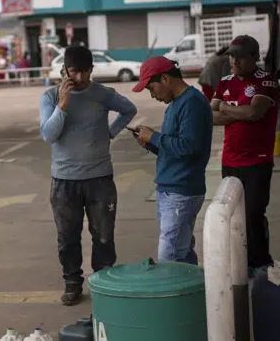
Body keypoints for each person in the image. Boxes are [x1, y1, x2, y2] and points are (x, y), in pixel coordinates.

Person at [39, 46, 138, 305]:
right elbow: (49, 135)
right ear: (65, 71)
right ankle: (72, 282)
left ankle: (104, 281)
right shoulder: (50, 97)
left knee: (103, 234)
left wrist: (110, 132)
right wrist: (63, 104)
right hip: (64, 180)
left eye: (85, 72)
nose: (80, 78)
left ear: (92, 70)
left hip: (99, 178)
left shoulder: (103, 94)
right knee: (67, 237)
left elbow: (129, 110)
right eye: (74, 72)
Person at [132, 57, 212, 264]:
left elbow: (188, 148)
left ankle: (177, 295)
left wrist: (155, 137)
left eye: (152, 88)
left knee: (169, 257)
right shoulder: (177, 103)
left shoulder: (192, 102)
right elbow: (175, 148)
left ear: (165, 79)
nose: (152, 95)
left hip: (181, 192)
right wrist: (150, 143)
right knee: (181, 252)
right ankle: (193, 292)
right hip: (170, 190)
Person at [211, 35, 280, 269]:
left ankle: (260, 264)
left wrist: (225, 107)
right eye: (231, 56)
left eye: (240, 57)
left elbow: (254, 113)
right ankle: (240, 261)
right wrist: (234, 110)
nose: (234, 61)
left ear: (254, 57)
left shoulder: (266, 81)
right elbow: (210, 117)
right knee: (232, 216)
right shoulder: (225, 82)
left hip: (257, 162)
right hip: (230, 160)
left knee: (253, 214)